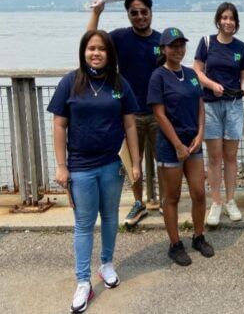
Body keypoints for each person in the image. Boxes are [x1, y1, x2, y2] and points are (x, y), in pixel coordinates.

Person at [49, 30, 141, 313]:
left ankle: (107, 263)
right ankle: (82, 281)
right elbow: (59, 125)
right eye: (91, 48)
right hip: (81, 167)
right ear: (83, 51)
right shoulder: (71, 81)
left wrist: (136, 163)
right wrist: (62, 166)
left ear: (109, 54)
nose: (96, 53)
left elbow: (129, 125)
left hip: (112, 164)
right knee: (84, 223)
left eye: (101, 49)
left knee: (111, 216)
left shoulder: (118, 83)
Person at [88, 0, 163, 226]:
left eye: (144, 12)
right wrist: (96, 12)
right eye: (134, 13)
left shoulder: (161, 41)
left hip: (158, 112)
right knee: (133, 161)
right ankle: (139, 202)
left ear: (151, 13)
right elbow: (91, 40)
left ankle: (163, 201)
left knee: (162, 159)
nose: (140, 17)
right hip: (130, 113)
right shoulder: (120, 38)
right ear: (128, 15)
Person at [147, 27, 214, 266]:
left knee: (198, 192)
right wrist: (177, 144)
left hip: (193, 143)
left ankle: (198, 236)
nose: (178, 50)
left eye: (181, 45)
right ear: (164, 49)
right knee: (172, 197)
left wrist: (200, 133)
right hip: (170, 146)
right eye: (172, 46)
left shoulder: (191, 74)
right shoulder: (158, 76)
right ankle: (175, 244)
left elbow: (200, 105)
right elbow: (159, 114)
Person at [193, 2, 244, 226]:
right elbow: (197, 71)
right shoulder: (206, 43)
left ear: (236, 22)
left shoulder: (242, 48)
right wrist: (211, 84)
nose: (228, 22)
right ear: (218, 20)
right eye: (224, 17)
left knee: (231, 157)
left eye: (232, 18)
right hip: (210, 105)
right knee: (215, 157)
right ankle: (216, 203)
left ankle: (230, 200)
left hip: (234, 104)